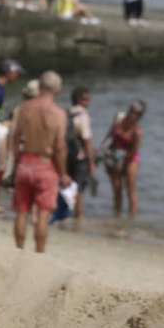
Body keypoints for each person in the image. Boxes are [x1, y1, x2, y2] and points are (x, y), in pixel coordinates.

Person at [10, 71, 69, 252]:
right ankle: (39, 254)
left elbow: (15, 138)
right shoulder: (58, 114)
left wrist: (16, 163)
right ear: (57, 89)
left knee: (22, 210)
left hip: (25, 161)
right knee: (43, 213)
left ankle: (19, 250)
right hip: (45, 164)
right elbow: (59, 147)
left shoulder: (24, 108)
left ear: (40, 86)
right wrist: (63, 173)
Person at [101, 99, 145, 218]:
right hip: (114, 155)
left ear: (140, 116)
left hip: (130, 158)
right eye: (131, 111)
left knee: (130, 190)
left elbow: (134, 150)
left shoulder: (138, 131)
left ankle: (131, 219)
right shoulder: (119, 119)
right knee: (117, 189)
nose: (132, 114)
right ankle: (117, 216)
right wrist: (102, 151)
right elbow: (109, 136)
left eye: (136, 113)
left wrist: (124, 163)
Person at [65, 86, 95, 227]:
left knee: (68, 186)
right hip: (80, 157)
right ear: (79, 99)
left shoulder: (67, 113)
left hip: (67, 155)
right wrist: (92, 162)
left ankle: (65, 214)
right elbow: (87, 140)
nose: (88, 101)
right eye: (86, 99)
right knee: (79, 190)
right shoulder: (83, 115)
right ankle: (78, 217)